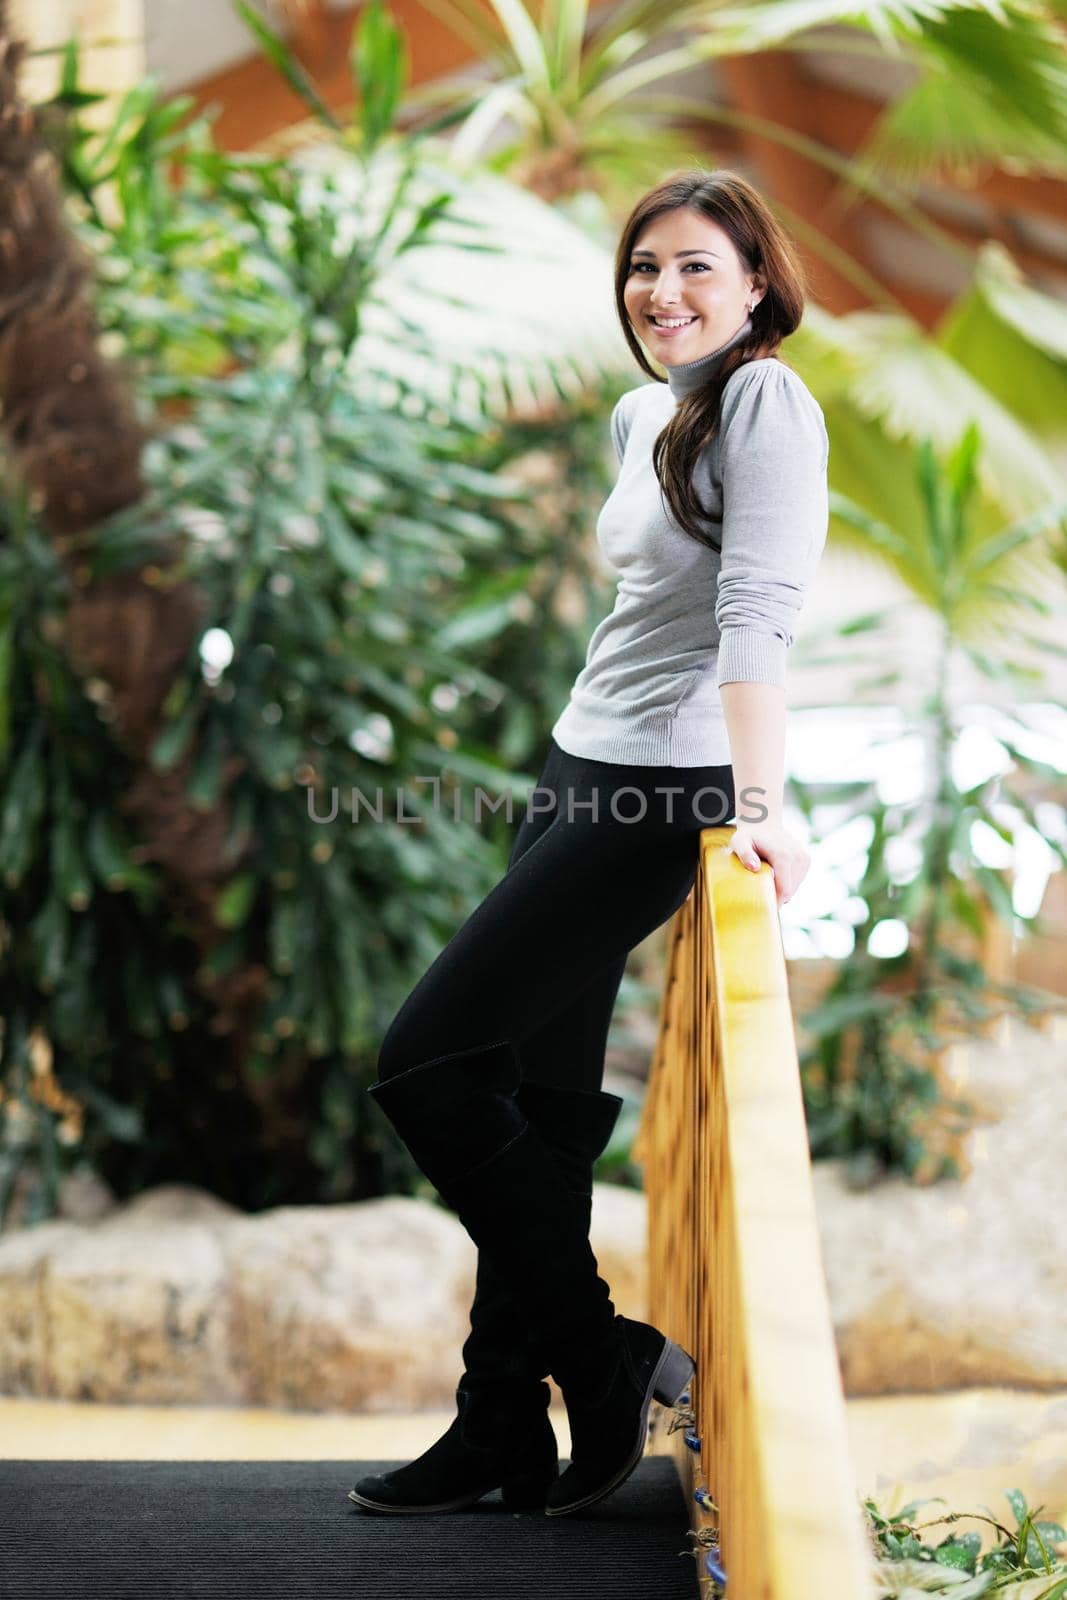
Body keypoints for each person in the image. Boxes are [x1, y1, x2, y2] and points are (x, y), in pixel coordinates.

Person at [349, 168, 829, 1519]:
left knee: (428, 1061)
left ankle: (604, 1360)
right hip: (575, 766)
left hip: (660, 797)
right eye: (643, 269)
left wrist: (761, 810)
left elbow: (758, 617)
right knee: (539, 1110)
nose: (661, 292)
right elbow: (641, 616)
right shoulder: (647, 411)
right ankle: (498, 1420)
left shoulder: (765, 403)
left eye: (693, 267)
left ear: (752, 285)